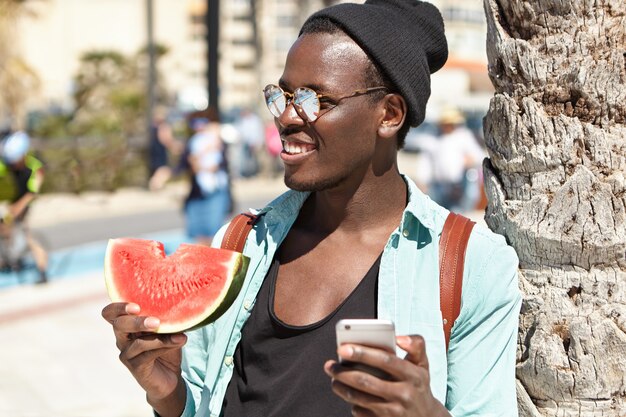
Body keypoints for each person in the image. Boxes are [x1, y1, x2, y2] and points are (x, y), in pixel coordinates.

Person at [102, 1, 522, 416]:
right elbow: (200, 402)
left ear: (389, 114)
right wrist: (168, 393)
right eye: (282, 95)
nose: (286, 116)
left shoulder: (471, 267)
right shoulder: (242, 242)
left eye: (313, 99)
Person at [177, 108, 231, 246]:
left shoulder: (218, 141)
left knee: (214, 232)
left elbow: (220, 165)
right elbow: (187, 165)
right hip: (197, 193)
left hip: (216, 191)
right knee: (197, 234)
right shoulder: (192, 142)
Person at [0, 129, 48, 284]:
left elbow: (32, 193)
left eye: (15, 161)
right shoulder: (5, 164)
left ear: (23, 155)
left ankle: (42, 271)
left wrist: (18, 208)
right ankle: (8, 258)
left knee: (30, 236)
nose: (13, 165)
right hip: (11, 199)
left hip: (28, 201)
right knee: (5, 226)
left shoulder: (35, 168)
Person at [421, 107, 487, 212]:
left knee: (457, 214)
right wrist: (423, 182)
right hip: (439, 186)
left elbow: (480, 157)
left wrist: (470, 161)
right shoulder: (433, 140)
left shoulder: (463, 137)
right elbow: (426, 163)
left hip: (460, 185)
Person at [148, 106, 183, 191]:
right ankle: (155, 184)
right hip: (160, 151)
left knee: (160, 169)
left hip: (154, 150)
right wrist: (174, 146)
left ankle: (155, 184)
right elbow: (166, 139)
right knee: (164, 169)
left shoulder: (152, 126)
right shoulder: (163, 127)